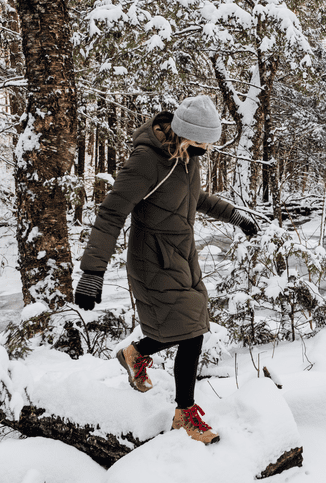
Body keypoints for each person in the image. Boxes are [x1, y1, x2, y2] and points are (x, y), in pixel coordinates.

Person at [73, 95, 258, 444]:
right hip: (152, 258)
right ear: (185, 132)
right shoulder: (146, 161)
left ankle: (136, 353)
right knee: (191, 330)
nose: (207, 147)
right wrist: (92, 271)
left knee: (187, 322)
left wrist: (234, 215)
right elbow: (112, 213)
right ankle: (184, 415)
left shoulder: (188, 157)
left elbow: (195, 198)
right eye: (203, 140)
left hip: (182, 254)